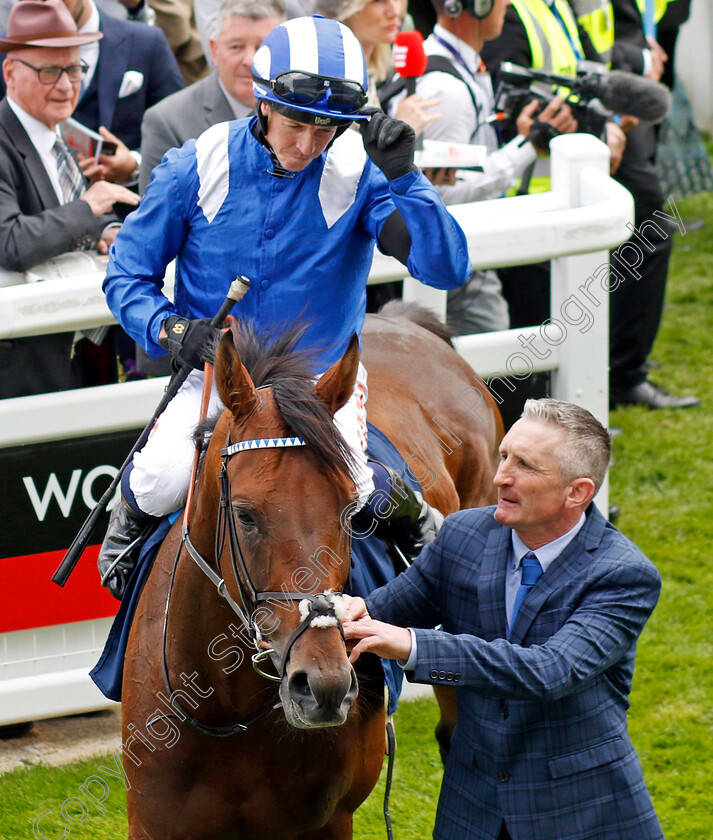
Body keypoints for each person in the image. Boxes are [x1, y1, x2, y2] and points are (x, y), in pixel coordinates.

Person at [97, 13, 471, 599]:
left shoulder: (363, 176)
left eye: (327, 130)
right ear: (263, 102)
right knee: (162, 478)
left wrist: (406, 179)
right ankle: (125, 542)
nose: (308, 145)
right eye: (296, 124)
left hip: (321, 382)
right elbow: (127, 274)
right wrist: (172, 330)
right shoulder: (195, 164)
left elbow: (446, 267)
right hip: (220, 378)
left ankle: (424, 533)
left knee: (358, 486)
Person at [342, 398, 663, 840]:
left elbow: (550, 670)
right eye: (504, 456)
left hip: (580, 811)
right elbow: (383, 609)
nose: (499, 477)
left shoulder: (623, 575)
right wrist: (341, 612)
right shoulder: (461, 535)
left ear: (578, 492)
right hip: (471, 807)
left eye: (526, 466)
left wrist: (414, 646)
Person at [481, 0, 699, 409]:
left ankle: (616, 377)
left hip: (573, 172)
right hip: (532, 192)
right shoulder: (513, 13)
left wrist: (612, 121)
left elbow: (586, 72)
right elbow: (510, 105)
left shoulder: (553, 6)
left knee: (648, 229)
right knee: (539, 316)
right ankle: (565, 404)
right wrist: (602, 127)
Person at [382, 0, 578, 336]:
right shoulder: (449, 90)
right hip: (456, 257)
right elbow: (440, 193)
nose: (507, 4)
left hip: (457, 251)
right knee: (494, 349)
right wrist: (528, 146)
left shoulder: (457, 65)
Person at [0, 0, 138, 398]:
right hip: (25, 369)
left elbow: (61, 218)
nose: (66, 84)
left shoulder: (60, 133)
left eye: (75, 69)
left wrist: (104, 229)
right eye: (49, 71)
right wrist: (91, 207)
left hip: (85, 355)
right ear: (10, 72)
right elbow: (10, 242)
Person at [139, 0, 286, 193]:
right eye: (236, 47)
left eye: (262, 48)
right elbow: (157, 215)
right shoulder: (167, 122)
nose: (249, 60)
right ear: (214, 50)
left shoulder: (300, 115)